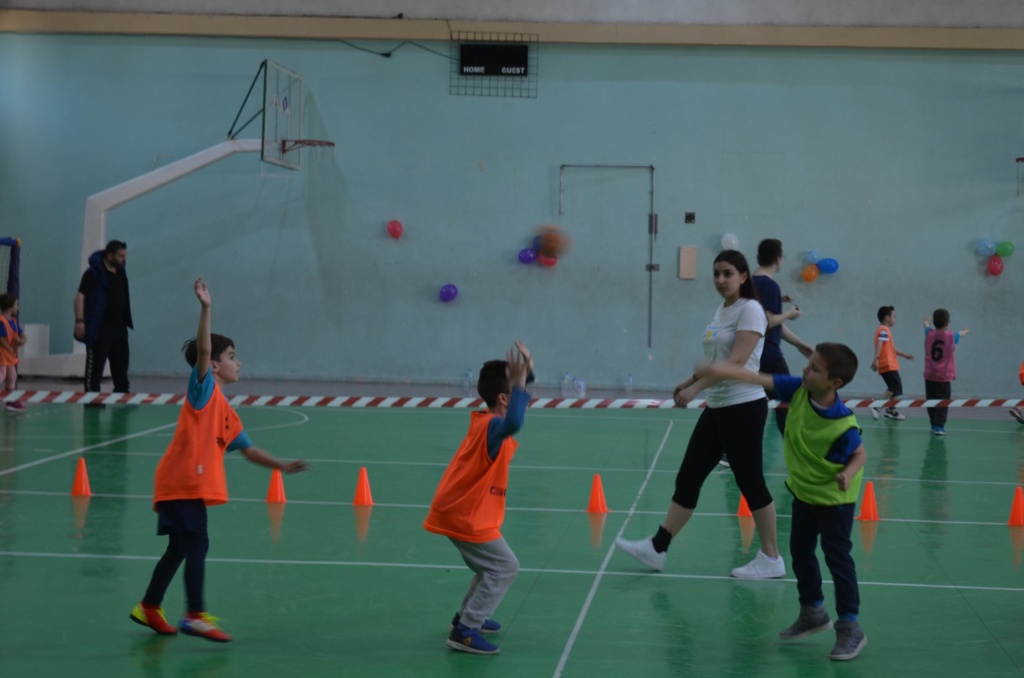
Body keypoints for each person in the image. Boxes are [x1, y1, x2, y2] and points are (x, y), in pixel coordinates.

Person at [130, 279, 310, 642]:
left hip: (182, 484)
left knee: (181, 546)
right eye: (231, 356)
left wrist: (282, 465)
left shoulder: (227, 413)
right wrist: (206, 307)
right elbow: (202, 350)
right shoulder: (203, 391)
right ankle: (195, 615)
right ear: (213, 365)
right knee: (197, 541)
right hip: (182, 480)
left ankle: (149, 606)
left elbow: (249, 450)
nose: (238, 362)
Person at [615, 249, 785, 579]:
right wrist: (690, 380)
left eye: (728, 273)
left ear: (743, 277)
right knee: (689, 477)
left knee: (751, 483)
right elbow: (715, 361)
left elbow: (736, 362)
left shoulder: (750, 310)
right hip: (719, 406)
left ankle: (771, 557)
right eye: (716, 273)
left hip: (743, 407)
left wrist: (696, 388)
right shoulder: (723, 309)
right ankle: (657, 548)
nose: (720, 279)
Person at [696, 342, 868, 661]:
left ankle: (850, 626)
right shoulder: (798, 389)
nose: (806, 370)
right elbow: (756, 378)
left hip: (835, 500)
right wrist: (721, 369)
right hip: (804, 492)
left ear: (835, 383)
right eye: (809, 363)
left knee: (837, 558)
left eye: (815, 368)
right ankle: (813, 611)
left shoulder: (841, 423)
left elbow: (860, 454)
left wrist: (847, 474)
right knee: (800, 552)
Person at [423, 341, 534, 656]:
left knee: (488, 568)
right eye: (520, 393)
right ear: (504, 398)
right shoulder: (495, 426)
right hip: (465, 514)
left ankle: (468, 616)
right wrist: (519, 382)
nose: (526, 399)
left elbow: (514, 406)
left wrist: (525, 373)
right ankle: (466, 631)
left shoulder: (488, 421)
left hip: (461, 509)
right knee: (505, 567)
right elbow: (515, 421)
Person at [752, 239, 814, 438]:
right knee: (789, 402)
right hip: (769, 356)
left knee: (755, 404)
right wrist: (789, 314)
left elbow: (770, 323)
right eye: (783, 256)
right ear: (777, 259)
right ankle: (795, 446)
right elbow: (769, 322)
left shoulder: (751, 282)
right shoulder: (770, 286)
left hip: (753, 356)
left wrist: (800, 345)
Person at [74, 239, 133, 395]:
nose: (124, 259)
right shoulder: (93, 274)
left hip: (119, 326)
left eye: (124, 256)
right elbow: (80, 297)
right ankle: (92, 399)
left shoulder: (120, 271)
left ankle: (122, 395)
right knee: (95, 368)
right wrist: (79, 321)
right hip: (100, 328)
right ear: (110, 256)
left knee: (121, 366)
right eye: (120, 256)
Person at [922, 310, 969, 436]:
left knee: (930, 400)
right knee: (943, 402)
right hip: (943, 376)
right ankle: (939, 425)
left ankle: (933, 423)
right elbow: (960, 334)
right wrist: (965, 331)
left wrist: (926, 322)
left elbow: (926, 327)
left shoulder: (929, 334)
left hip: (930, 375)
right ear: (947, 324)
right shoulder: (950, 336)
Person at [870, 305, 913, 421]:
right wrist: (876, 359)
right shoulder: (883, 330)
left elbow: (891, 349)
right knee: (896, 386)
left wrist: (905, 355)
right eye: (894, 316)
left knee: (895, 389)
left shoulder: (885, 331)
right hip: (887, 364)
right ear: (887, 318)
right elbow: (879, 344)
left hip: (889, 364)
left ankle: (891, 411)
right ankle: (877, 405)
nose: (895, 319)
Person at [0, 294, 27, 411]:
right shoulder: (1, 321)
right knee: (1, 375)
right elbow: (1, 338)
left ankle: (10, 400)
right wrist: (9, 348)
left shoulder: (14, 321)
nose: (17, 307)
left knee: (12, 376)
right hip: (2, 355)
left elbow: (22, 335)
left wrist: (22, 340)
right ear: (10, 307)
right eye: (16, 305)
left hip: (10, 356)